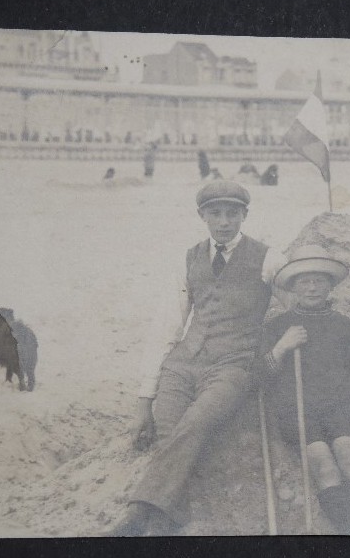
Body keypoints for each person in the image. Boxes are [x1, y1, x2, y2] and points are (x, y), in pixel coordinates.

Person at [108, 180, 286, 536]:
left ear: (244, 216)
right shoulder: (188, 258)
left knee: (195, 424)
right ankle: (162, 521)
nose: (224, 221)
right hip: (184, 362)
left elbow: (289, 307)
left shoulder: (270, 259)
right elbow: (168, 324)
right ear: (202, 215)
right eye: (215, 213)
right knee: (168, 431)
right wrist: (145, 399)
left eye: (232, 213)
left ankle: (137, 512)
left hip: (234, 365)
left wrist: (272, 355)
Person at [257, 245, 350, 535]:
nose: (313, 287)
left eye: (319, 280)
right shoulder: (279, 325)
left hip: (340, 408)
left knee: (349, 452)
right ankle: (348, 528)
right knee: (322, 461)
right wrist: (282, 347)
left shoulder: (343, 325)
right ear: (293, 286)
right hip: (299, 410)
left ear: (330, 285)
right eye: (304, 281)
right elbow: (261, 377)